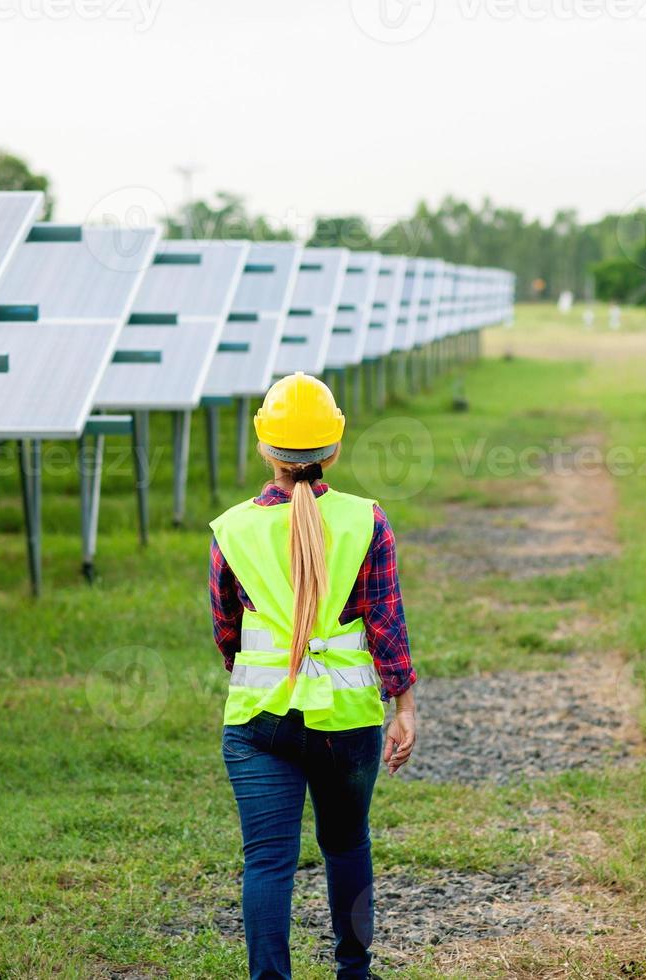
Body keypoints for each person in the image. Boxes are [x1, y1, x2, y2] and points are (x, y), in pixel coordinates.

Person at [209, 372, 417, 980]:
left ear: (264, 446)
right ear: (335, 446)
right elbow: (387, 624)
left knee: (268, 861)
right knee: (347, 845)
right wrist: (402, 705)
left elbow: (227, 633)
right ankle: (355, 972)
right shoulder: (366, 520)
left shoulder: (232, 529)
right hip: (347, 722)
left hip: (258, 723)